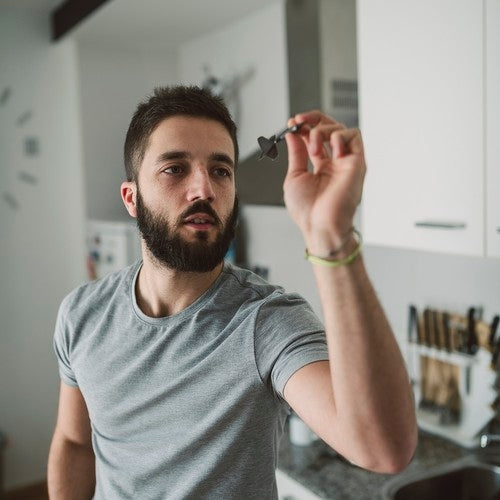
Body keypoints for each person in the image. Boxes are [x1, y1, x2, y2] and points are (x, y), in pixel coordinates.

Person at [47, 86, 417, 499]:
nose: (203, 189)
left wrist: (330, 234)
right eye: (175, 169)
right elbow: (74, 442)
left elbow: (383, 449)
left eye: (221, 170)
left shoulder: (266, 322)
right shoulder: (82, 314)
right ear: (132, 198)